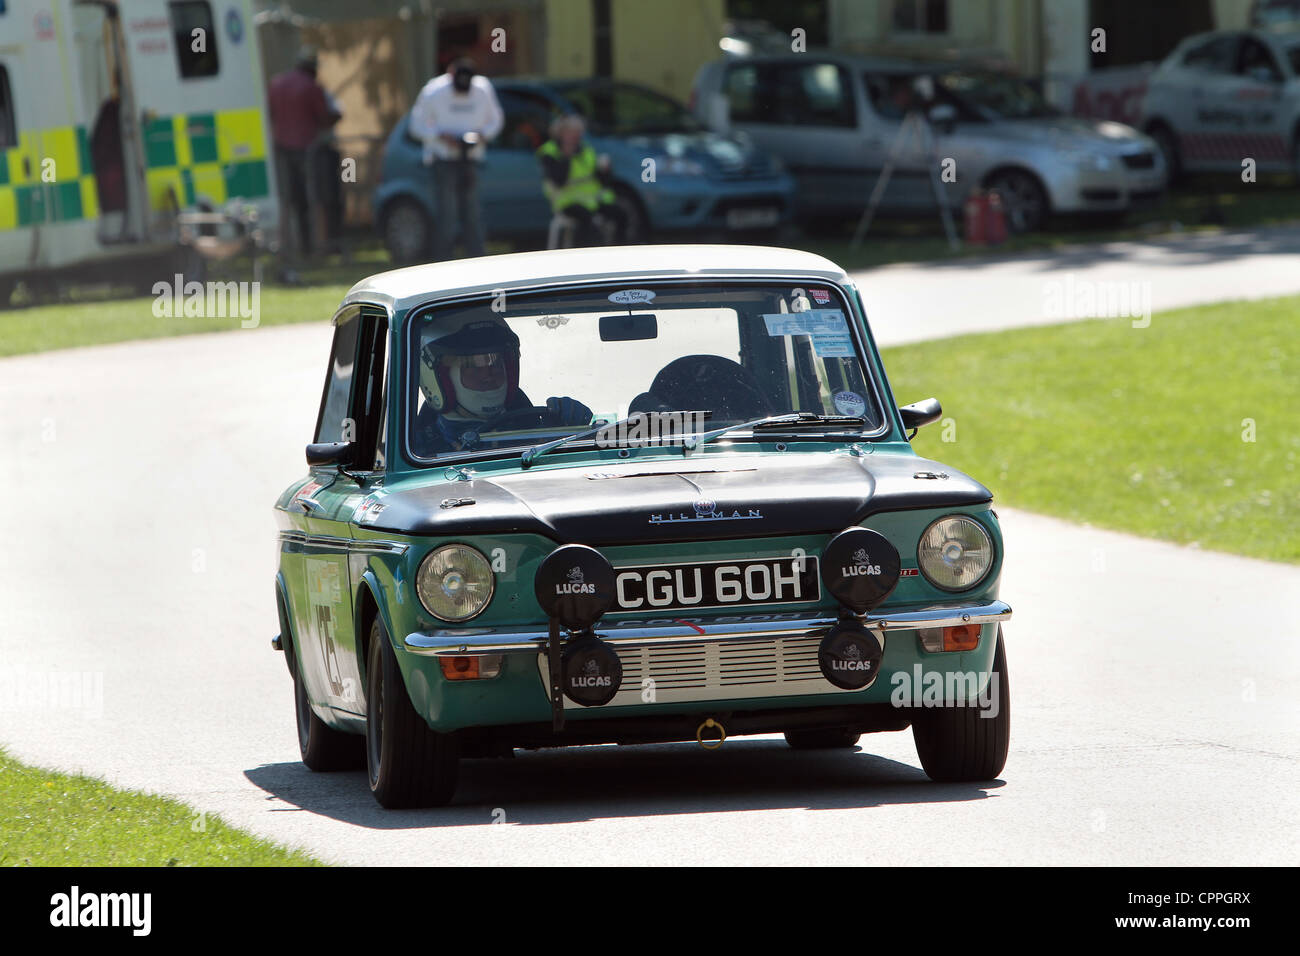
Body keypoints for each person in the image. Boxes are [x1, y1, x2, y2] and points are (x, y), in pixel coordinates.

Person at [414, 316, 592, 456]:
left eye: (497, 363)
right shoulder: (417, 449)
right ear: (441, 378)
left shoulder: (536, 430)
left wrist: (567, 430)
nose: (488, 375)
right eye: (473, 366)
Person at [409, 57, 503, 260]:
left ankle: (477, 258)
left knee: (473, 213)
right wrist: (440, 136)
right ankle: (443, 259)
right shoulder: (434, 90)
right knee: (447, 214)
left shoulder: (482, 89)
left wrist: (481, 135)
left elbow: (496, 120)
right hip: (444, 160)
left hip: (471, 159)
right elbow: (416, 125)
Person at [268, 48, 337, 262]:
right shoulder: (312, 87)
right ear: (312, 68)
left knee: (286, 201)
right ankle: (319, 247)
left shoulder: (276, 84)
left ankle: (285, 248)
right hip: (308, 150)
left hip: (281, 149)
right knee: (316, 199)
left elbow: (271, 114)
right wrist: (337, 116)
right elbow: (324, 118)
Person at [536, 114, 628, 246]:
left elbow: (601, 180)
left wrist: (605, 171)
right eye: (571, 133)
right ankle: (585, 256)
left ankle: (620, 250)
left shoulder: (586, 150)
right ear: (560, 133)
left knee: (620, 215)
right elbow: (558, 181)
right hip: (566, 201)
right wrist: (566, 156)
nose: (575, 137)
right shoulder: (549, 152)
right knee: (588, 222)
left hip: (592, 200)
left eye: (578, 133)